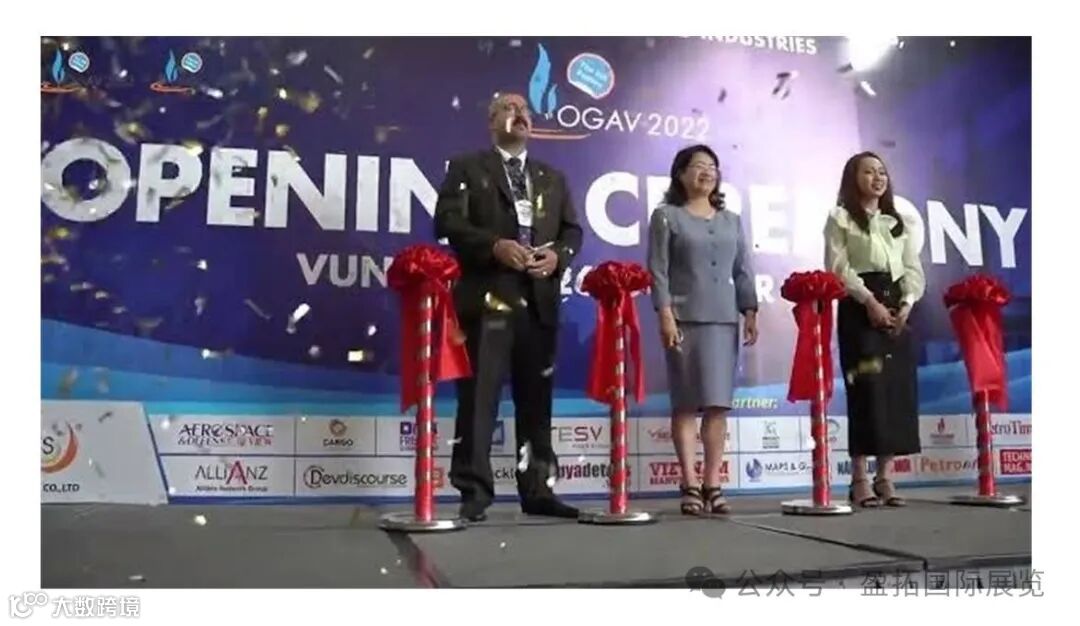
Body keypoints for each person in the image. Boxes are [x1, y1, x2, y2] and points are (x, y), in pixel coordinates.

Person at [433, 92, 583, 522]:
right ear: (491, 122)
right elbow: (447, 222)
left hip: (539, 301)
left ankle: (538, 490)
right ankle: (474, 491)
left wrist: (558, 257)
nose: (520, 115)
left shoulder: (552, 177)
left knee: (537, 401)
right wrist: (494, 245)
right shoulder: (467, 167)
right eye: (509, 109)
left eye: (525, 110)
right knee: (479, 398)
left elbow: (572, 231)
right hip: (487, 298)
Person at [647, 144, 758, 516]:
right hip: (683, 318)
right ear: (681, 174)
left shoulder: (732, 220)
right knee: (685, 403)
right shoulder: (666, 216)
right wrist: (665, 314)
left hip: (724, 319)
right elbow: (658, 270)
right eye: (697, 165)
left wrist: (750, 310)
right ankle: (690, 483)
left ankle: (713, 483)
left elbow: (743, 269)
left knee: (717, 404)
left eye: (712, 166)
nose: (706, 171)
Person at [824, 151, 925, 508]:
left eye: (881, 172)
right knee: (866, 390)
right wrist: (869, 301)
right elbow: (838, 267)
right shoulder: (840, 218)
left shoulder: (897, 221)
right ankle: (859, 479)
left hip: (896, 305)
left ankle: (885, 477)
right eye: (868, 172)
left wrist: (907, 303)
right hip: (859, 306)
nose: (877, 178)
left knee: (895, 391)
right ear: (853, 179)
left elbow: (912, 268)